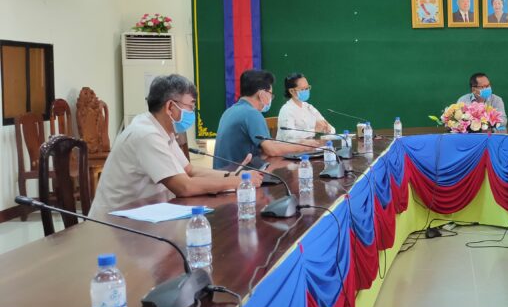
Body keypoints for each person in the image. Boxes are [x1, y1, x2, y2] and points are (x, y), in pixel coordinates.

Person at [89, 74, 262, 217]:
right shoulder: (146, 134)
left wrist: (235, 175)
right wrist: (237, 182)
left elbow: (190, 170)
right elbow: (184, 187)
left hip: (143, 216)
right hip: (115, 224)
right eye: (190, 107)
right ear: (170, 106)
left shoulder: (162, 129)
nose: (192, 113)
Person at [214, 69, 320, 170]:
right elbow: (271, 150)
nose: (271, 99)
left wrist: (300, 142)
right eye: (271, 94)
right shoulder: (252, 114)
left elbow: (268, 146)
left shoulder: (229, 111)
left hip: (222, 175)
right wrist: (303, 146)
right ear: (262, 94)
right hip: (238, 177)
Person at [276, 73, 335, 143]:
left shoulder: (309, 107)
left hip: (309, 147)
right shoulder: (286, 110)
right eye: (302, 89)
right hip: (289, 148)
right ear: (291, 91)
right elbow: (288, 136)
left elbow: (330, 128)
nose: (306, 91)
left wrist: (328, 128)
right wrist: (313, 130)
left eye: (307, 88)